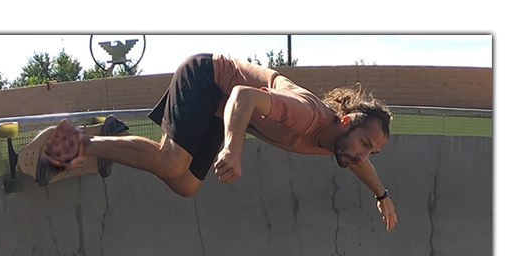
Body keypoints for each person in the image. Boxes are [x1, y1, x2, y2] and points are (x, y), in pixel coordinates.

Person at [41, 53, 398, 231]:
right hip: (207, 78)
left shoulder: (342, 144)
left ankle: (116, 136)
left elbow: (360, 162)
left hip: (218, 109)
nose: (362, 155)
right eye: (364, 144)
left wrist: (381, 196)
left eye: (371, 151)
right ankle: (77, 142)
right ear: (346, 122)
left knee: (184, 184)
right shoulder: (308, 114)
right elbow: (242, 95)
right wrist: (232, 147)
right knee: (171, 161)